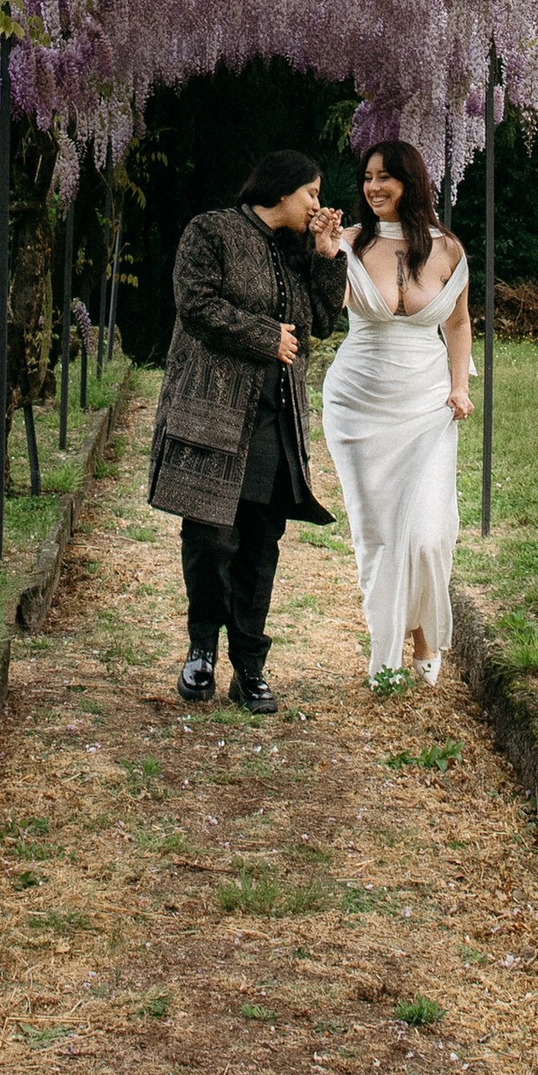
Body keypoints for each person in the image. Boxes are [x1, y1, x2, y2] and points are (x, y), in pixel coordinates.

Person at [148, 148, 347, 711]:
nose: (318, 204)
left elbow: (322, 322)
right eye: (311, 192)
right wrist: (265, 337)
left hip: (271, 419)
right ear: (282, 190)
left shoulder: (294, 251)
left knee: (259, 543)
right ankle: (201, 652)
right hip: (212, 411)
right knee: (210, 537)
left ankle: (250, 667)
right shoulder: (210, 230)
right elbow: (195, 304)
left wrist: (327, 257)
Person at [319, 137, 471, 684]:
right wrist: (324, 256)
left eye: (385, 176)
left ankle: (426, 637)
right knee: (379, 535)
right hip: (358, 405)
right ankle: (386, 651)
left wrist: (460, 386)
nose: (374, 187)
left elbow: (457, 321)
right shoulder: (350, 244)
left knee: (429, 533)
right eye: (367, 177)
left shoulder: (447, 248)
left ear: (411, 182)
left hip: (427, 403)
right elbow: (322, 314)